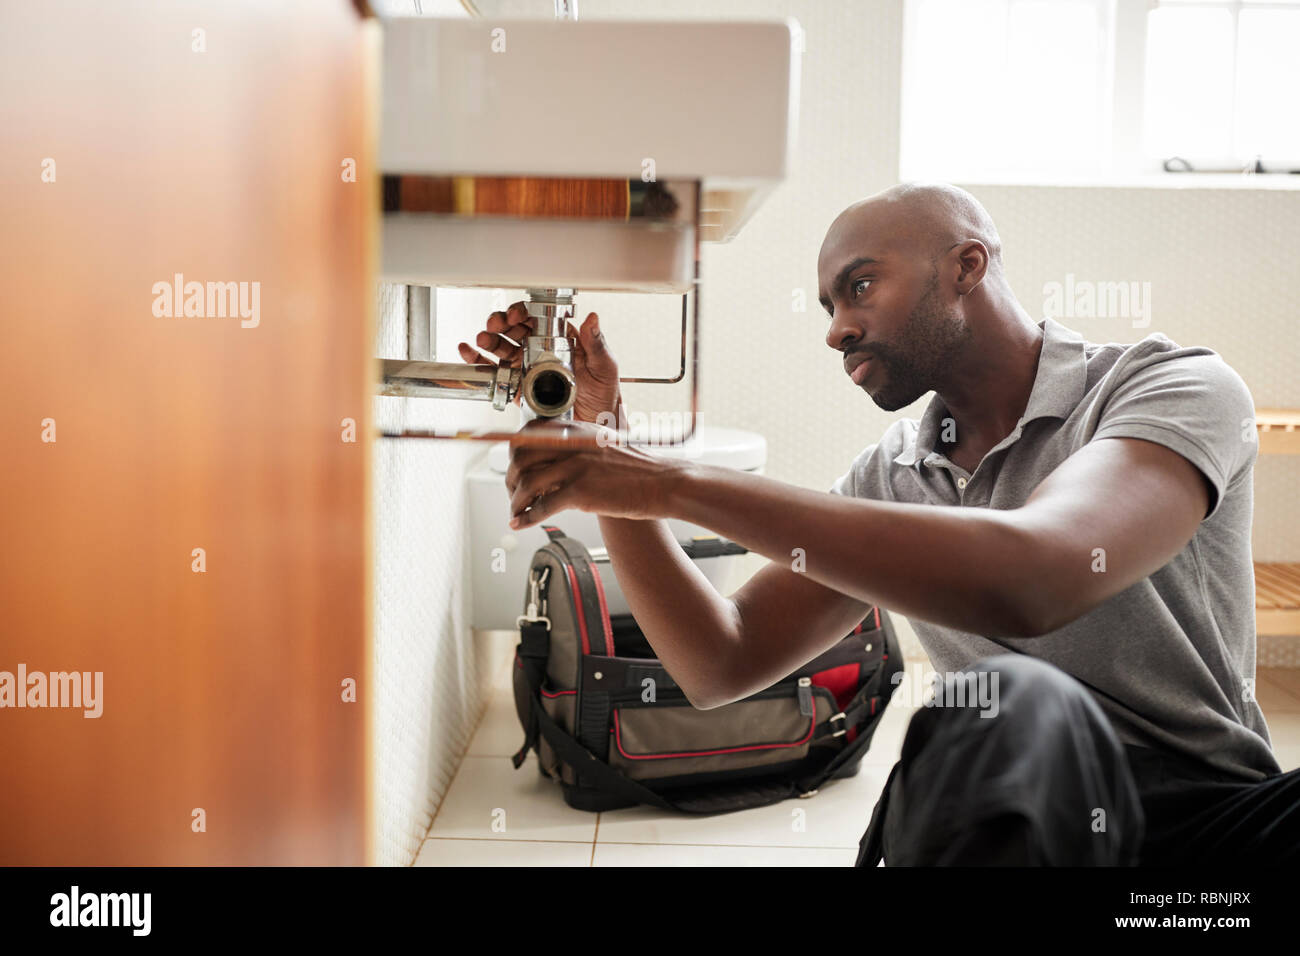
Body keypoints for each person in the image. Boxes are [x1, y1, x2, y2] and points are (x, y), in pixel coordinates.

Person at [459, 182, 1299, 865]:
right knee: (1001, 702)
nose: (836, 329)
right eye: (828, 303)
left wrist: (668, 481)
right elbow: (722, 659)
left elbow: (1040, 576)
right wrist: (617, 471)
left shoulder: (1170, 387)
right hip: (1014, 816)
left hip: (1209, 839)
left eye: (858, 287)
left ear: (966, 265)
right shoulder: (892, 475)